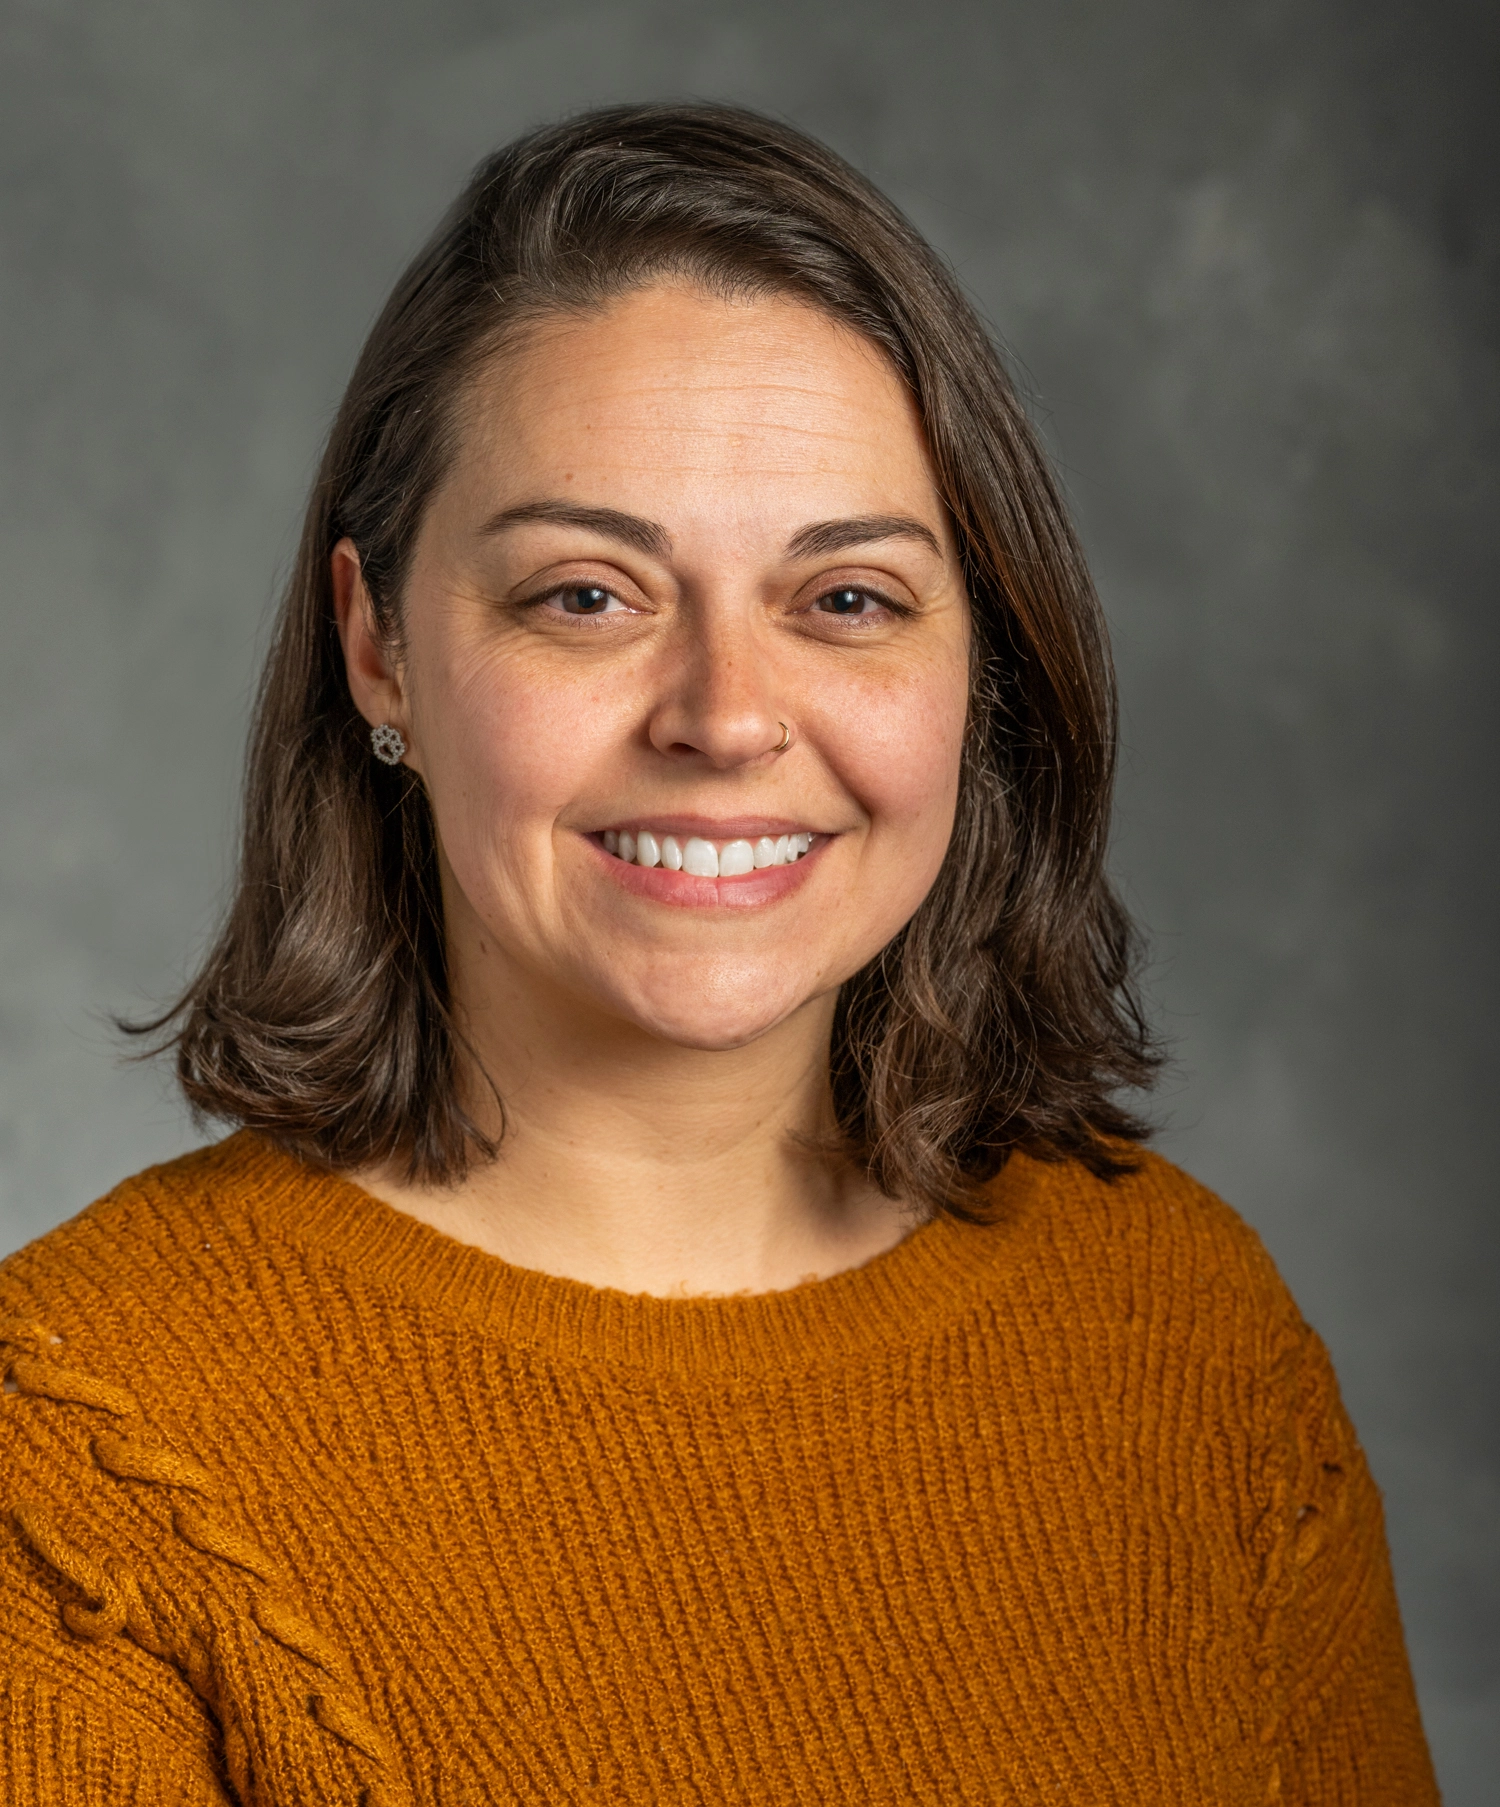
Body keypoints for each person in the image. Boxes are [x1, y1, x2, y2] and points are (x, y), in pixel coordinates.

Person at [0, 103, 1437, 1805]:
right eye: (588, 596)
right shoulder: (86, 1453)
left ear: (976, 669)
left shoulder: (1195, 1335)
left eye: (846, 600)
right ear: (378, 644)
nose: (728, 717)